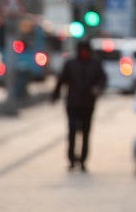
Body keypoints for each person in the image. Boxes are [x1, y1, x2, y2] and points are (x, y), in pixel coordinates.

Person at [50, 40, 107, 172]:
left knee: (86, 132)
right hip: (73, 104)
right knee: (72, 131)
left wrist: (97, 88)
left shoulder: (95, 64)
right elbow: (61, 80)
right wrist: (55, 95)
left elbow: (103, 79)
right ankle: (71, 159)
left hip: (88, 104)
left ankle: (83, 160)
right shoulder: (71, 64)